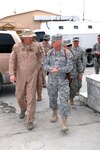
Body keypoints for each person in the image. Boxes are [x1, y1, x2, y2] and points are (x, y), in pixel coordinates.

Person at [9, 29, 42, 130]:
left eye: (31, 37)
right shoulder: (17, 46)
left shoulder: (36, 46)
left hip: (32, 75)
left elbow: (40, 58)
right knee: (19, 96)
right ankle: (23, 109)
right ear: (23, 37)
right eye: (27, 37)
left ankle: (30, 120)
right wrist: (11, 74)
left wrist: (37, 68)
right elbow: (12, 60)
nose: (29, 39)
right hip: (20, 75)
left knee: (31, 98)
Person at [44, 34, 73, 132]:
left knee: (64, 101)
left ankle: (64, 122)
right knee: (52, 99)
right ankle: (54, 113)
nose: (54, 44)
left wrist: (59, 69)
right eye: (54, 42)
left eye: (56, 42)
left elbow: (70, 67)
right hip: (52, 82)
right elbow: (44, 65)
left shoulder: (67, 53)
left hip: (63, 82)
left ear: (60, 42)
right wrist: (51, 69)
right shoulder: (49, 52)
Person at [32, 33, 45, 101]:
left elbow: (42, 55)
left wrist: (39, 65)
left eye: (33, 37)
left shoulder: (39, 45)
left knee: (38, 82)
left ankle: (39, 95)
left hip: (38, 67)